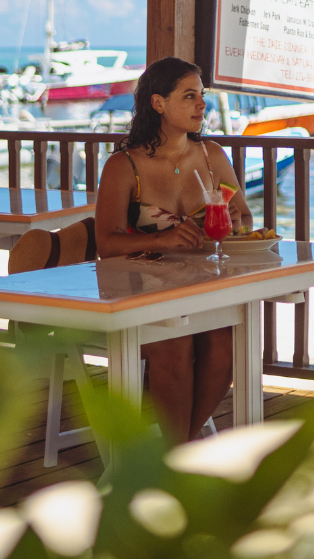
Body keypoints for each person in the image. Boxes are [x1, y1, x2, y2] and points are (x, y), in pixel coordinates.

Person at [95, 56, 253, 443]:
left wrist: (236, 224)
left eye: (202, 96)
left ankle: (173, 452)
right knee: (174, 344)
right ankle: (176, 457)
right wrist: (160, 239)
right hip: (140, 290)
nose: (202, 105)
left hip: (201, 286)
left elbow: (246, 219)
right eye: (189, 96)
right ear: (158, 103)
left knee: (223, 349)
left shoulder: (212, 156)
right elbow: (106, 243)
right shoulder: (124, 165)